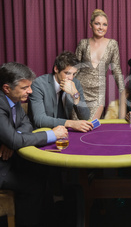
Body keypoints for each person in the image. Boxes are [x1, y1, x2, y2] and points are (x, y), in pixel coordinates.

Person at [0, 62, 68, 226]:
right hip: (1, 168)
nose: (29, 91)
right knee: (34, 186)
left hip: (9, 158)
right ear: (6, 88)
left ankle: (47, 220)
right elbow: (15, 139)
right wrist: (52, 134)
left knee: (43, 171)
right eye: (25, 88)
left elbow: (27, 124)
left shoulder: (13, 98)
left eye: (29, 86)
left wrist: (11, 140)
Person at [75, 9, 125, 119]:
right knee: (76, 127)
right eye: (97, 24)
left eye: (104, 24)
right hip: (79, 90)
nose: (101, 27)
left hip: (98, 92)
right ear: (90, 25)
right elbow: (75, 68)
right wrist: (69, 87)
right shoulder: (83, 43)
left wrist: (123, 90)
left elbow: (116, 70)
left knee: (92, 126)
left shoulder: (112, 44)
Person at [29, 51, 93, 132]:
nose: (71, 78)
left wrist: (75, 95)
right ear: (56, 69)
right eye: (67, 73)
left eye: (73, 74)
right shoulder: (38, 84)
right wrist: (72, 123)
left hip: (64, 131)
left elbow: (85, 117)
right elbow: (40, 120)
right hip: (43, 132)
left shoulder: (75, 84)